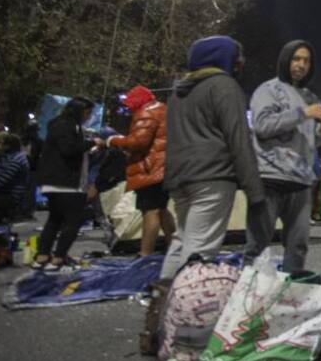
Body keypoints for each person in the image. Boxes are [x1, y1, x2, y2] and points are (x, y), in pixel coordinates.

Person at [161, 35, 264, 280]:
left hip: (180, 178)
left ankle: (160, 306)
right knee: (199, 251)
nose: (240, 63)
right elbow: (238, 139)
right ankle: (184, 314)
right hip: (212, 178)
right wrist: (255, 190)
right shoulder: (224, 86)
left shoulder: (178, 92)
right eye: (237, 57)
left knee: (180, 241)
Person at [245, 40, 321, 275]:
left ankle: (289, 299)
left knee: (298, 246)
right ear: (285, 60)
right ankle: (249, 302)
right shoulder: (268, 90)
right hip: (270, 176)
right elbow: (262, 126)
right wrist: (303, 113)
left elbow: (310, 140)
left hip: (301, 181)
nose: (301, 65)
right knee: (258, 247)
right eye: (296, 59)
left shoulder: (310, 95)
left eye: (306, 60)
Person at [33, 97, 103, 270]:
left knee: (55, 220)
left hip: (55, 182)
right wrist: (92, 142)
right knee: (73, 221)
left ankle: (42, 257)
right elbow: (69, 149)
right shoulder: (67, 125)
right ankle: (58, 259)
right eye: (87, 113)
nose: (89, 116)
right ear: (78, 110)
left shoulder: (59, 124)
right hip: (65, 183)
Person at [107, 85, 175, 257]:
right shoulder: (162, 109)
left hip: (151, 169)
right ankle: (174, 246)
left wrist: (112, 141)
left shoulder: (147, 112)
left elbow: (138, 142)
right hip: (164, 167)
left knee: (150, 211)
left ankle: (145, 253)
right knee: (161, 209)